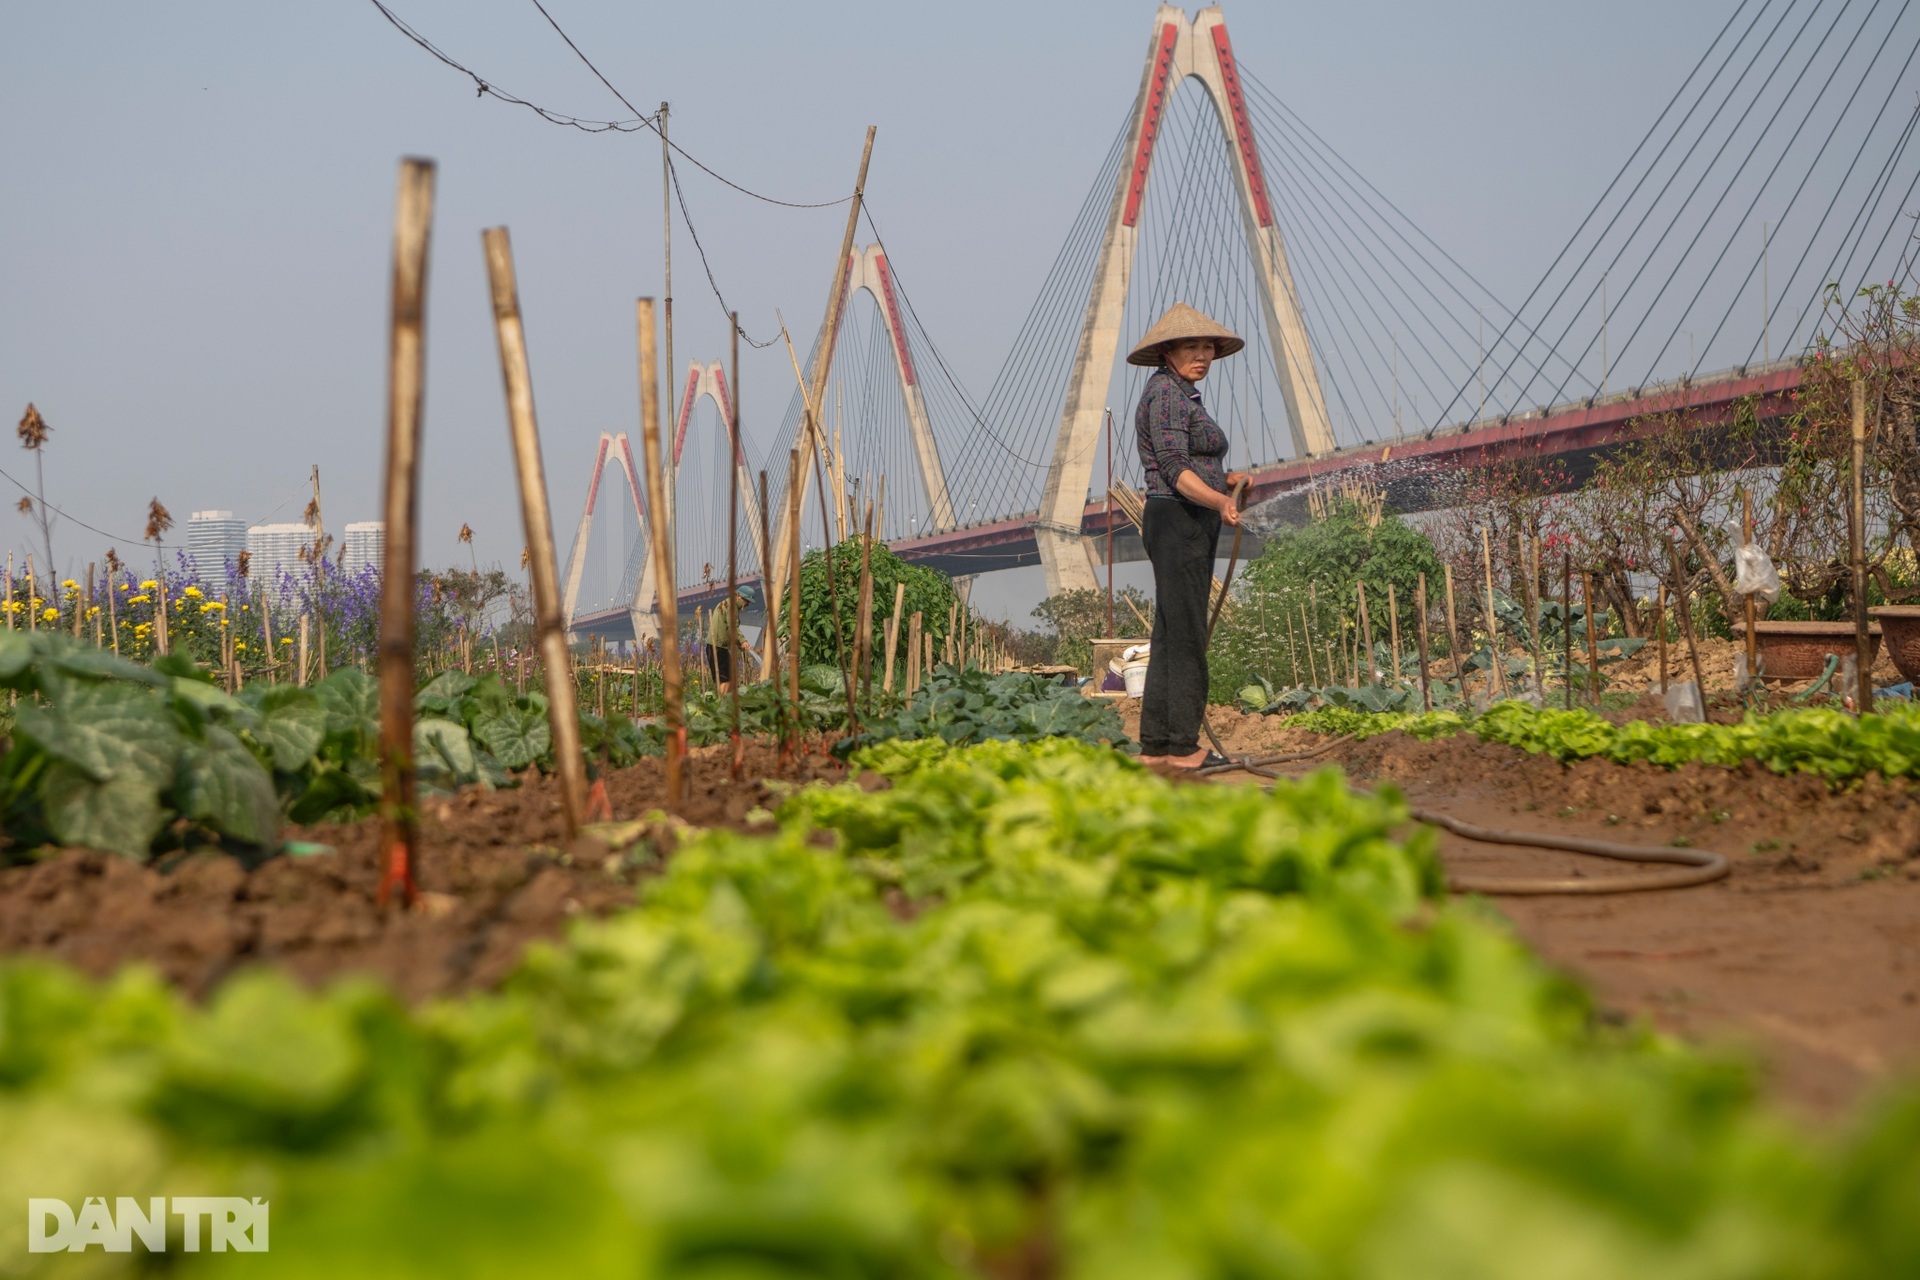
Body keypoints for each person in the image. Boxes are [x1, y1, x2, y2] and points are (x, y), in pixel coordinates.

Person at [1129, 303, 1250, 769]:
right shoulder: (1167, 396)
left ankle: (1157, 744)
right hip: (1177, 519)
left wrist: (1224, 481)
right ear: (1167, 352)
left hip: (1184, 519)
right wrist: (1220, 500)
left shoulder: (1179, 394)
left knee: (1171, 631)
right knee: (1187, 635)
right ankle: (1183, 746)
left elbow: (1189, 463)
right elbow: (1175, 470)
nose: (1202, 355)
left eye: (1207, 348)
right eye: (1191, 347)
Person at [704, 586, 756, 692]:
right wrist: (743, 641)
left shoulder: (726, 604)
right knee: (726, 679)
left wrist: (738, 643)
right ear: (739, 596)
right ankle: (722, 705)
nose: (747, 605)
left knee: (731, 677)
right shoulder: (732, 607)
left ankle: (727, 703)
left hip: (718, 646)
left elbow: (729, 629)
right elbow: (733, 626)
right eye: (746, 601)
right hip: (718, 647)